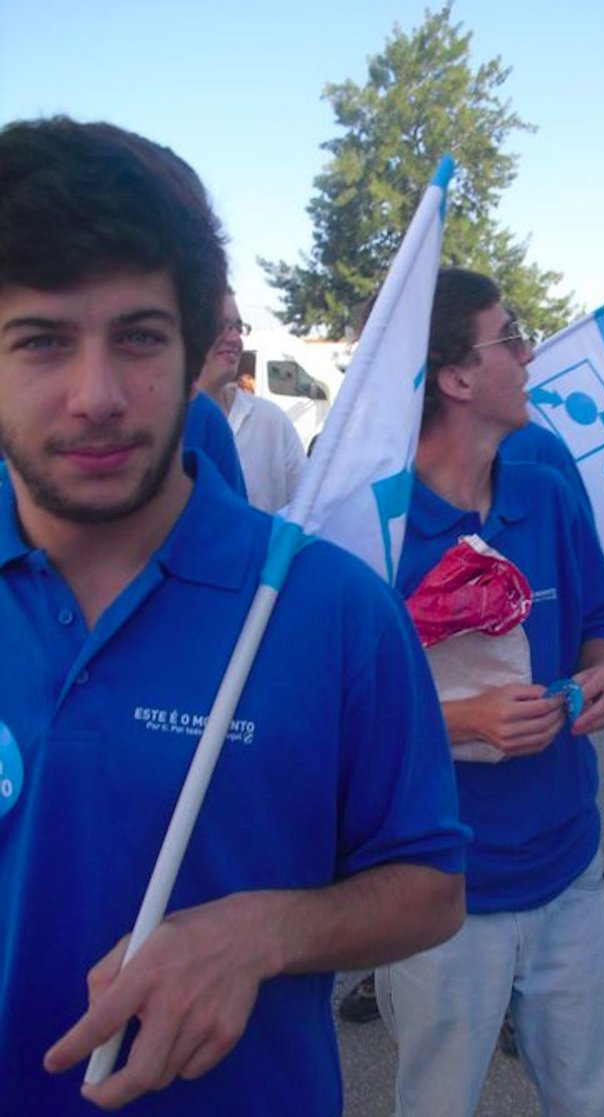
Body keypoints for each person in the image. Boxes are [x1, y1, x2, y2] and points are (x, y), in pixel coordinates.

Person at [0, 116, 467, 1117]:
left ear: (203, 342)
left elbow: (430, 887)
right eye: (41, 341)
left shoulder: (330, 610)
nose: (96, 395)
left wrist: (265, 931)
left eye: (139, 337)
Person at [375, 267, 604, 1117]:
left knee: (596, 1103)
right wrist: (460, 720)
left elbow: (600, 616)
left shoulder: (546, 494)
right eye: (509, 335)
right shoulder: (374, 529)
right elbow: (341, 717)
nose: (528, 353)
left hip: (569, 868)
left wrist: (602, 669)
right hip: (440, 890)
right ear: (454, 377)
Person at [196, 291, 307, 513]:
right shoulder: (161, 429)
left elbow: (308, 509)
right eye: (221, 326)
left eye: (238, 327)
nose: (235, 338)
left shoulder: (270, 421)